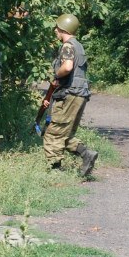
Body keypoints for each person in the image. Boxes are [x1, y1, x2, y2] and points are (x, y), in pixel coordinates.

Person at [43, 14, 98, 177]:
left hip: (69, 94)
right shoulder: (79, 46)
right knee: (64, 133)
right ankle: (86, 154)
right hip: (79, 94)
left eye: (57, 28)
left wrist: (57, 76)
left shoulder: (67, 46)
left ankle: (54, 171)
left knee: (53, 132)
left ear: (63, 29)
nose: (55, 31)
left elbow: (67, 67)